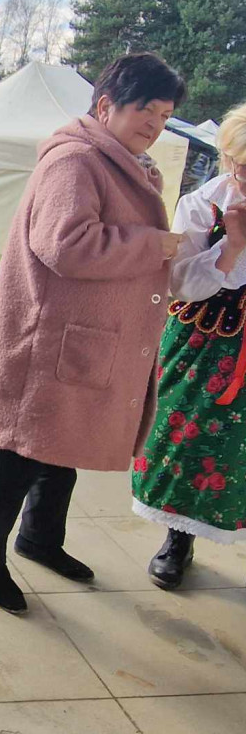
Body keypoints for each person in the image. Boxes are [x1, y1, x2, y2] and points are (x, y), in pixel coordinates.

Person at [0, 52, 187, 614]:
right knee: (19, 454)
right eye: (146, 110)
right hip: (47, 340)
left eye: (164, 115)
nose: (154, 124)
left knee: (64, 445)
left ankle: (40, 539)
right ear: (107, 104)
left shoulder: (118, 161)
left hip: (78, 337)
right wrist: (152, 244)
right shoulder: (76, 161)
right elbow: (64, 244)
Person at [132, 101, 246, 588]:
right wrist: (233, 246)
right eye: (244, 165)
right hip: (207, 337)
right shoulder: (205, 203)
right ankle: (179, 538)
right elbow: (180, 281)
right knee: (187, 439)